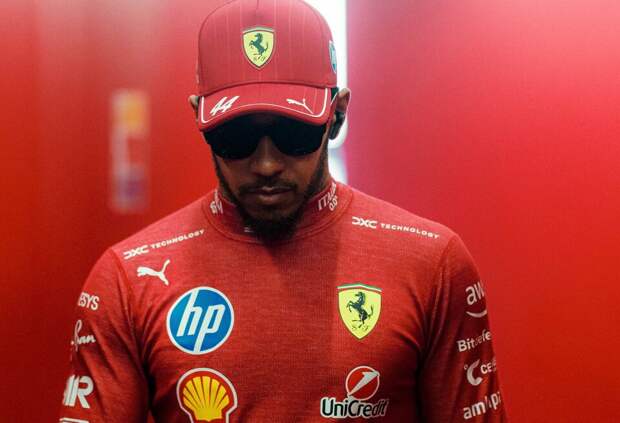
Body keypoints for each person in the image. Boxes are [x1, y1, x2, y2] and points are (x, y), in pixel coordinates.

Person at [59, 0, 508, 422]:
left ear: (337, 115)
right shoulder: (127, 279)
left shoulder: (432, 265)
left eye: (294, 133)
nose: (267, 164)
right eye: (235, 137)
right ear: (199, 118)